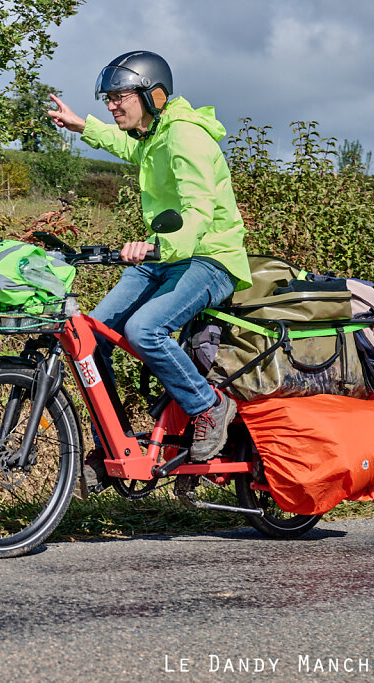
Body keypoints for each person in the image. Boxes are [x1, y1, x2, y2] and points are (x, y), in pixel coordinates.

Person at [47, 50, 251, 491]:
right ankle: (115, 444)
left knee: (144, 330)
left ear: (152, 95)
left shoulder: (186, 137)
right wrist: (85, 125)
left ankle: (209, 407)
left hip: (210, 257)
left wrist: (159, 246)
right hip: (168, 256)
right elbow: (130, 146)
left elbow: (199, 211)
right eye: (109, 98)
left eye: (121, 96)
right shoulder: (155, 134)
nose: (112, 105)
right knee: (91, 335)